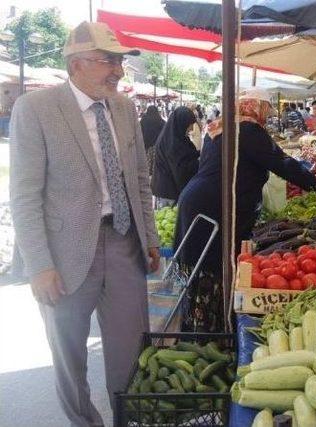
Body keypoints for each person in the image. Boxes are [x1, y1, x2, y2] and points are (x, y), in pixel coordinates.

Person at [9, 21, 160, 425]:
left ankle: (127, 418)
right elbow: (23, 196)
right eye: (107, 60)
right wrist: (39, 265)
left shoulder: (126, 108)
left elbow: (140, 180)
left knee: (132, 350)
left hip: (125, 242)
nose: (118, 70)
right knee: (70, 354)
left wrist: (150, 236)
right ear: (76, 64)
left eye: (119, 61)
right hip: (64, 254)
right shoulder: (36, 109)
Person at [174, 88, 316, 276]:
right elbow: (281, 162)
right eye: (266, 109)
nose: (267, 116)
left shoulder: (220, 126)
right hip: (216, 206)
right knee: (215, 271)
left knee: (199, 273)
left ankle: (210, 303)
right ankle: (217, 305)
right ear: (255, 106)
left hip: (199, 200)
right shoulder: (248, 130)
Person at [152, 106, 200, 204]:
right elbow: (181, 170)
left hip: (165, 190)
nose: (191, 128)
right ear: (181, 123)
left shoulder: (174, 137)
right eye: (189, 124)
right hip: (169, 194)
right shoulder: (173, 144)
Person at [140, 105, 165, 177]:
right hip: (156, 146)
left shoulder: (144, 119)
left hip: (146, 145)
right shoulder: (160, 121)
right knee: (155, 166)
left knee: (146, 164)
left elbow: (140, 131)